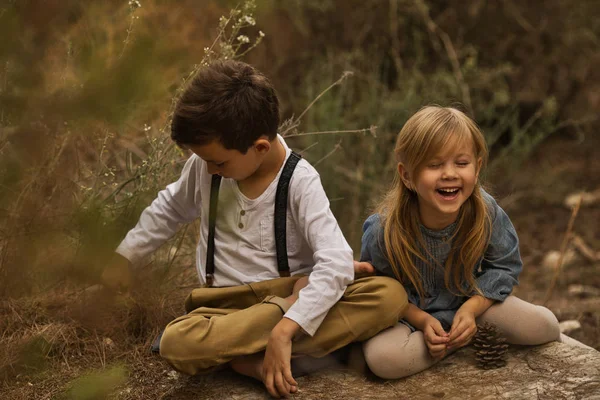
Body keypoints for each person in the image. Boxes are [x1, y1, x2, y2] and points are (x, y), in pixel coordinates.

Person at [101, 60, 407, 397]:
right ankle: (288, 347)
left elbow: (335, 261)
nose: (209, 170)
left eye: (218, 162)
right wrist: (126, 256)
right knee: (176, 342)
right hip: (223, 308)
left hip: (288, 293)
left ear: (260, 147)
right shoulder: (206, 168)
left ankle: (250, 356)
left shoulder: (300, 182)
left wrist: (285, 325)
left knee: (388, 296)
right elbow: (169, 209)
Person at [353, 105, 592, 380]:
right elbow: (377, 291)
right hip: (407, 318)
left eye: (461, 163)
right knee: (385, 360)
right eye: (434, 165)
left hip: (474, 307)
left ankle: (462, 335)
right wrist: (422, 320)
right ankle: (455, 343)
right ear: (406, 176)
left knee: (545, 326)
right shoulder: (384, 229)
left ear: (477, 168)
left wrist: (471, 309)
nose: (450, 174)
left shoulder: (485, 212)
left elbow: (505, 267)